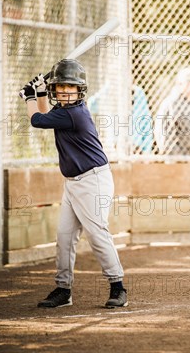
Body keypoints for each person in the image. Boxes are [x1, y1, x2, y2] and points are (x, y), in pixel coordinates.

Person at [19, 59, 127, 308]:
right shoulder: (63, 112)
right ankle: (63, 290)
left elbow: (37, 120)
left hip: (93, 181)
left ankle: (118, 287)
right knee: (65, 236)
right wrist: (42, 93)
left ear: (80, 91)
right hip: (73, 183)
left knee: (97, 234)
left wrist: (29, 97)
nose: (66, 92)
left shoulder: (74, 114)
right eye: (61, 88)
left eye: (72, 88)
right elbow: (46, 116)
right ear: (56, 90)